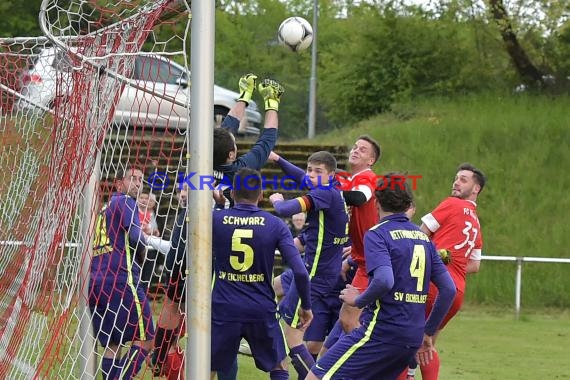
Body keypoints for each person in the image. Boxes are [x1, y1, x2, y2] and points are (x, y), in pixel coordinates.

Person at [151, 73, 285, 379]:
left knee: (173, 303)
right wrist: (271, 101)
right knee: (215, 328)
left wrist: (244, 95)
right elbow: (268, 139)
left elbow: (226, 131)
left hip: (182, 243)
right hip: (212, 255)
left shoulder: (198, 161)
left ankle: (159, 357)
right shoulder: (238, 171)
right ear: (232, 154)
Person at [306, 173, 457, 380]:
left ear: (376, 202)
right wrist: (428, 332)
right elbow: (448, 289)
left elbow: (384, 280)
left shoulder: (378, 233)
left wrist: (357, 300)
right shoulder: (423, 238)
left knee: (316, 377)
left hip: (380, 333)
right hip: (411, 338)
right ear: (408, 204)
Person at [211, 168, 313, 379]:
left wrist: (220, 205)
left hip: (224, 308)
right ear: (260, 195)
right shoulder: (275, 224)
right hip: (261, 308)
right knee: (279, 365)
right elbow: (301, 273)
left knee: (208, 367)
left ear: (233, 193)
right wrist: (306, 306)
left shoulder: (214, 219)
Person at [400, 163, 486, 380]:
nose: (456, 182)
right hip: (455, 293)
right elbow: (475, 265)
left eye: (463, 179)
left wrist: (432, 264)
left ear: (476, 188)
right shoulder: (476, 222)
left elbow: (421, 235)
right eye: (456, 178)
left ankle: (406, 374)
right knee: (427, 344)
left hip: (432, 286)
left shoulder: (452, 204)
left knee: (401, 341)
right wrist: (451, 264)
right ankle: (411, 373)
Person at [268, 150, 349, 379]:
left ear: (331, 174)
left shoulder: (325, 194)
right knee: (270, 287)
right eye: (310, 170)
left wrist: (277, 200)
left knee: (292, 336)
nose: (311, 175)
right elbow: (300, 177)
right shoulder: (330, 190)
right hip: (311, 267)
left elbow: (284, 210)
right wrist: (277, 159)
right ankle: (263, 333)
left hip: (315, 273)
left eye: (318, 171)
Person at [89, 166, 154, 379]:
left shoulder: (104, 209)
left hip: (96, 283)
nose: (137, 183)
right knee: (147, 338)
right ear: (119, 184)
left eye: (140, 179)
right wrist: (145, 245)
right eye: (132, 178)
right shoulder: (126, 202)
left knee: (113, 344)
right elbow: (136, 237)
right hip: (121, 281)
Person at [320, 135, 382, 355]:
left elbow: (358, 197)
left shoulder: (368, 179)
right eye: (355, 147)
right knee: (344, 325)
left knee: (349, 321)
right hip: (364, 261)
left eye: (363, 150)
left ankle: (368, 364)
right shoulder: (351, 179)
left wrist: (327, 195)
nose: (355, 150)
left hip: (374, 264)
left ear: (371, 160)